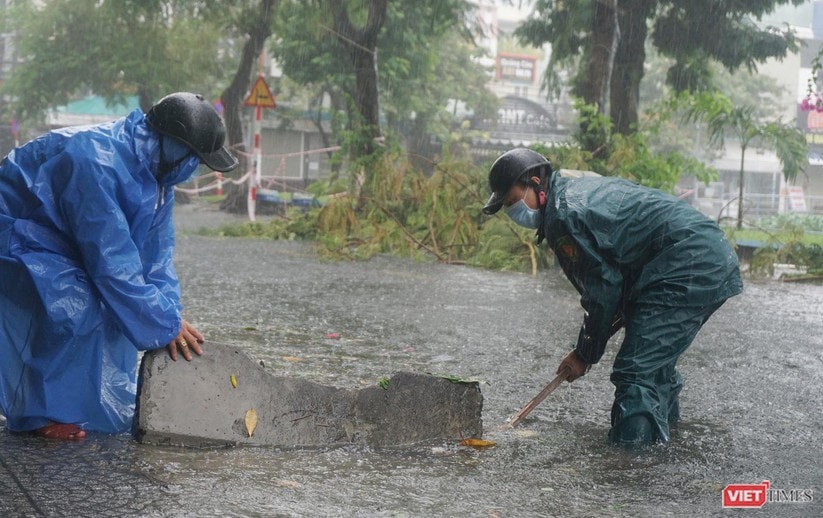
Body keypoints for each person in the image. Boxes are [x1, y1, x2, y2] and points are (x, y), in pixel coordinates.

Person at [0, 92, 238, 440]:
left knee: (127, 309)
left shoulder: (158, 177)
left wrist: (170, 318)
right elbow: (110, 263)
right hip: (15, 232)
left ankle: (84, 406)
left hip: (54, 235)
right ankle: (43, 415)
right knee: (74, 298)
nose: (194, 169)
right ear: (174, 145)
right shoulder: (95, 161)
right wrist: (160, 321)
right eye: (195, 159)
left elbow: (155, 259)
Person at [483, 148, 743, 447]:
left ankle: (632, 462)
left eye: (512, 201)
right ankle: (666, 444)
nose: (512, 210)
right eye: (506, 206)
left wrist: (584, 353)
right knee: (653, 360)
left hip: (688, 261)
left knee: (636, 369)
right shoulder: (571, 196)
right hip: (699, 255)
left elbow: (602, 290)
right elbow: (616, 278)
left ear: (534, 182)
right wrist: (595, 340)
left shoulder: (565, 215)